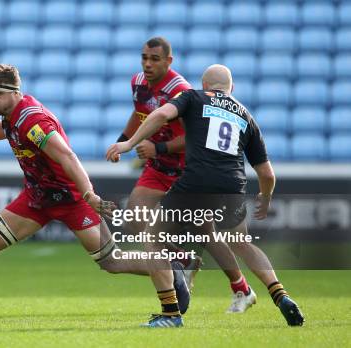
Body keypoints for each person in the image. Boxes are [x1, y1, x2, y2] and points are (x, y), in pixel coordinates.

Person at [0, 64, 190, 327]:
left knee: (112, 262)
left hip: (71, 199)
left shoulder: (34, 120)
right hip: (37, 198)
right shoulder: (13, 116)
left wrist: (89, 194)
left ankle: (170, 269)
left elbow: (67, 156)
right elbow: (5, 128)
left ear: (15, 92)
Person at [106, 64, 305, 326]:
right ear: (231, 88)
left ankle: (170, 314)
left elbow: (160, 115)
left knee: (152, 238)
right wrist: (265, 199)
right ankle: (280, 294)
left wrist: (129, 143)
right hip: (232, 186)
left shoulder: (193, 97)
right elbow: (267, 174)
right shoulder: (246, 116)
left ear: (204, 84)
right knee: (242, 243)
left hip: (196, 182)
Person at [115, 37, 257, 313]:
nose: (147, 64)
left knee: (207, 234)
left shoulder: (179, 90)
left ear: (169, 61)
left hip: (185, 168)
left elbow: (194, 136)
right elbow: (140, 113)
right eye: (144, 57)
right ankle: (180, 258)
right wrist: (124, 139)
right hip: (158, 167)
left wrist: (158, 147)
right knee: (134, 216)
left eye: (154, 59)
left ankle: (240, 286)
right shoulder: (138, 83)